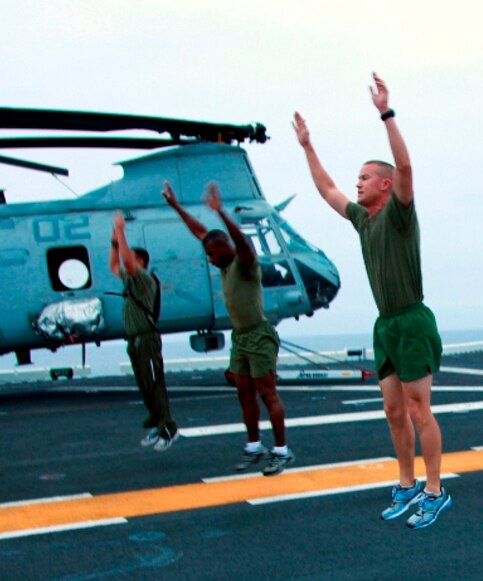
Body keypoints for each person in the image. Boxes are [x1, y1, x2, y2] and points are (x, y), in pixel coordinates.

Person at [293, 73, 449, 529]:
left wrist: (386, 112)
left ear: (385, 184)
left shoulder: (400, 214)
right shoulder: (363, 220)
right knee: (393, 410)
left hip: (413, 320)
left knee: (420, 410)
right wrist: (307, 146)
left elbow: (407, 167)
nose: (356, 184)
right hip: (386, 325)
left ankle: (436, 490)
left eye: (364, 178)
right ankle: (406, 484)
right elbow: (327, 191)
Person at [162, 180, 294, 475]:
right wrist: (175, 207)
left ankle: (282, 450)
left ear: (225, 248)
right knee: (243, 392)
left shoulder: (244, 264)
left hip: (259, 334)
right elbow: (200, 233)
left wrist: (221, 212)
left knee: (267, 393)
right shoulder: (223, 263)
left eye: (212, 254)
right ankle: (253, 446)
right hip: (241, 337)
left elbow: (243, 244)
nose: (209, 260)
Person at [109, 212, 178, 452]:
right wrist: (114, 242)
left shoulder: (145, 280)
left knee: (155, 385)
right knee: (145, 385)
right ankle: (157, 424)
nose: (129, 264)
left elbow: (125, 263)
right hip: (135, 340)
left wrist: (121, 231)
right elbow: (114, 265)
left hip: (147, 338)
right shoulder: (131, 281)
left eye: (133, 260)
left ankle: (168, 429)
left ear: (141, 263)